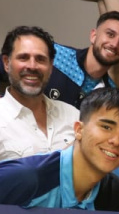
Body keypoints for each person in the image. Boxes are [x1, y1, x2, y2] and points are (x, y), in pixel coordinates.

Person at [0, 26, 79, 160]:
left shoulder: (73, 116)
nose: (32, 66)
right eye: (23, 57)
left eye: (40, 59)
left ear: (51, 66)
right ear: (7, 63)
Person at [45, 11, 119, 108]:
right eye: (110, 34)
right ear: (93, 36)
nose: (115, 44)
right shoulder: (54, 53)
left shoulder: (110, 96)